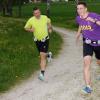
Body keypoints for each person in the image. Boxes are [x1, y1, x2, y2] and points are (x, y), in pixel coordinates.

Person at [76, 2, 100, 94]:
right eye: (78, 9)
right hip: (87, 43)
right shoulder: (78, 18)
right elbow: (81, 24)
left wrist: (94, 21)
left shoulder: (94, 15)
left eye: (81, 8)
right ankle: (88, 87)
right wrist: (78, 33)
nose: (79, 10)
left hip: (98, 44)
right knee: (86, 64)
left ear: (86, 9)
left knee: (99, 61)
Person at [24, 7, 52, 81]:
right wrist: (31, 30)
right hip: (37, 40)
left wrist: (49, 28)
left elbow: (49, 23)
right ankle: (48, 55)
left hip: (45, 39)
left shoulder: (44, 17)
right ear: (33, 14)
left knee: (42, 56)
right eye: (35, 13)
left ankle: (42, 74)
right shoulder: (31, 20)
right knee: (42, 54)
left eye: (38, 12)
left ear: (40, 12)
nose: (37, 14)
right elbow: (25, 28)